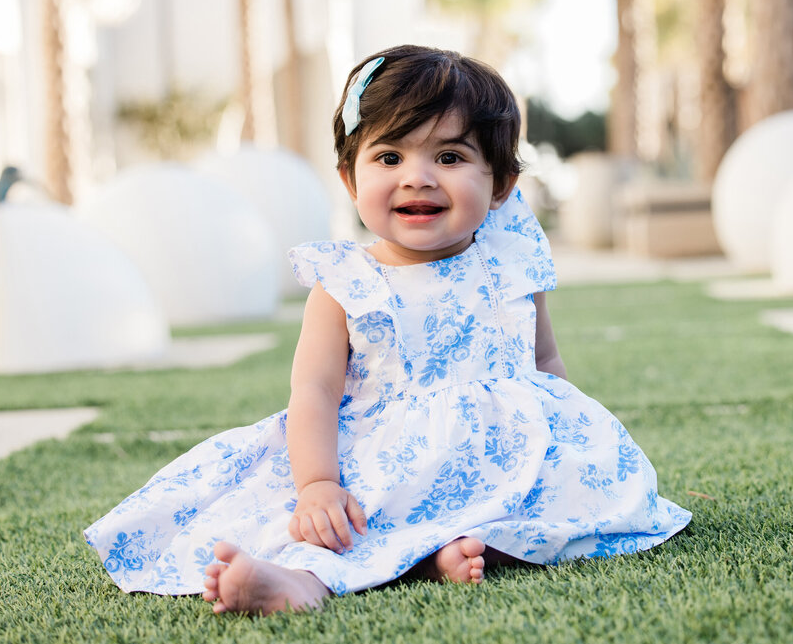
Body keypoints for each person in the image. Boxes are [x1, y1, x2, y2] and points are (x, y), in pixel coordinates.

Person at [83, 45, 691, 615]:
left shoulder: (509, 261)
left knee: (577, 505)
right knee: (346, 522)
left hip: (504, 451)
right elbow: (314, 393)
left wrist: (576, 442)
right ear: (351, 180)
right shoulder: (346, 282)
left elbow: (546, 365)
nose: (418, 177)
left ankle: (454, 552)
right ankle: (296, 582)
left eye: (450, 158)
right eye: (389, 157)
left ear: (501, 183)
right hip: (387, 453)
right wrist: (319, 483)